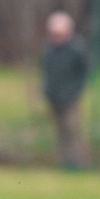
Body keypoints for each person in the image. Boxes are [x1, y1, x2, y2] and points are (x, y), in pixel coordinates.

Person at [39, 11, 88, 169]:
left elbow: (84, 72)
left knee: (71, 129)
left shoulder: (76, 49)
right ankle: (63, 161)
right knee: (59, 131)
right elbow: (45, 71)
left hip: (70, 96)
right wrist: (46, 89)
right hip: (53, 96)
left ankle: (75, 162)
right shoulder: (48, 49)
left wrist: (75, 90)